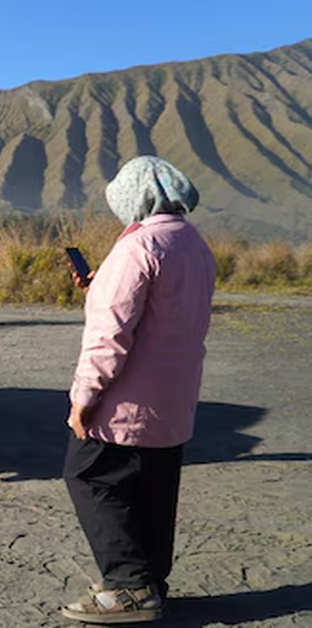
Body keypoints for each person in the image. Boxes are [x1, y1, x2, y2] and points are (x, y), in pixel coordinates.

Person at [61, 156, 216, 624]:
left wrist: (84, 396)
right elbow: (159, 311)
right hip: (175, 400)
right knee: (154, 488)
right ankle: (152, 582)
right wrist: (99, 285)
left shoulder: (138, 247)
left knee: (88, 475)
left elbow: (110, 334)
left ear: (136, 198)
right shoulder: (193, 244)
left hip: (128, 403)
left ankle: (128, 586)